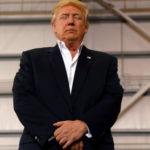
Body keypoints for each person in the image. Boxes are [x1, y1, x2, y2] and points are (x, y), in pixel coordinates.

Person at [13, 0, 123, 150]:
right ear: (54, 27)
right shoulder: (33, 59)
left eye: (77, 17)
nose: (71, 21)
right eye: (64, 16)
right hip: (42, 144)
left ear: (85, 27)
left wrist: (83, 126)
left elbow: (112, 99)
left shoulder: (105, 62)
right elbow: (23, 99)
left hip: (91, 145)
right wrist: (60, 134)